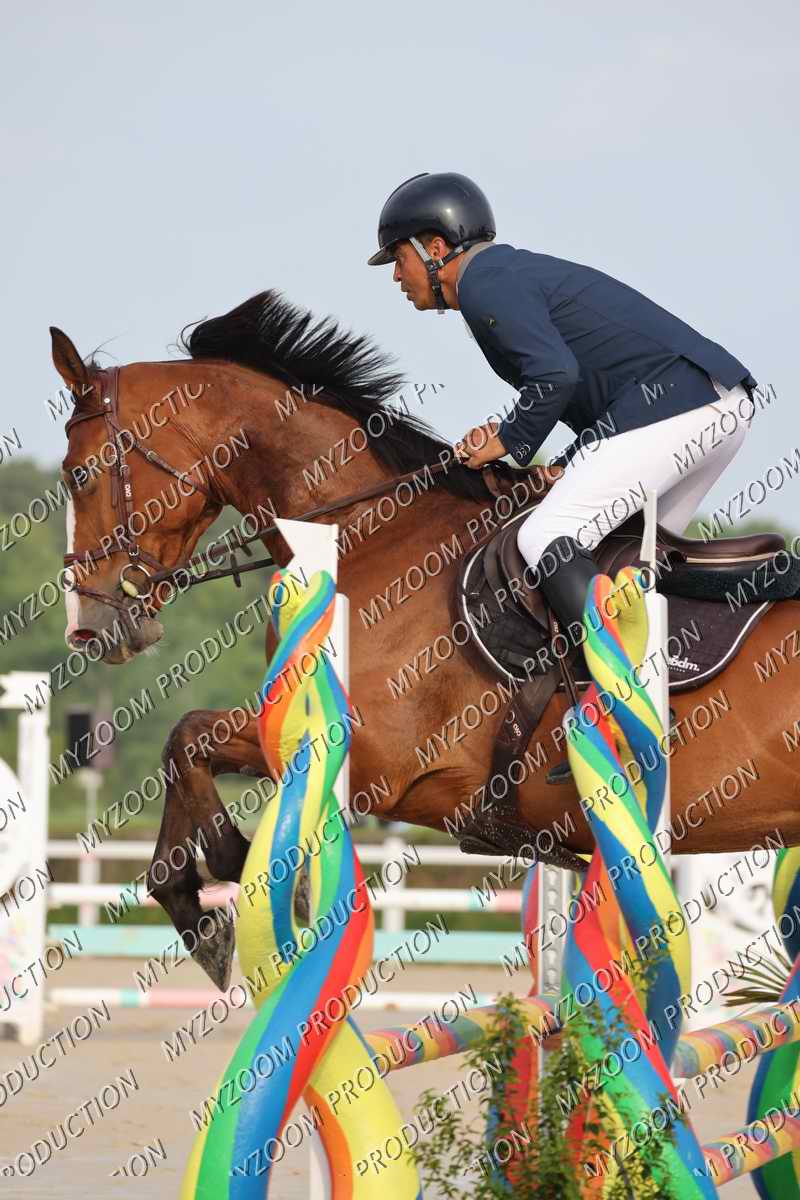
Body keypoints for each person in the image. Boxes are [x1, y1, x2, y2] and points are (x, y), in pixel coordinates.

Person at [367, 171, 758, 636]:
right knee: (627, 558)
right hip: (710, 402)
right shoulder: (500, 275)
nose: (396, 275)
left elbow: (556, 375)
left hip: (679, 406)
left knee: (546, 536)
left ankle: (622, 678)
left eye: (398, 258)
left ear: (435, 249)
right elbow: (576, 385)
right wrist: (562, 463)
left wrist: (507, 439)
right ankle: (661, 668)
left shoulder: (483, 283)